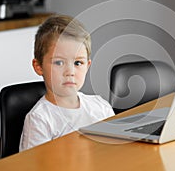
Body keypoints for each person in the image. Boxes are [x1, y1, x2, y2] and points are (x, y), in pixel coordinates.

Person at [19, 14, 115, 151]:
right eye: (59, 62)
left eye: (77, 63)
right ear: (38, 66)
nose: (70, 72)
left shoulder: (101, 107)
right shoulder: (39, 119)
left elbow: (116, 152)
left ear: (87, 66)